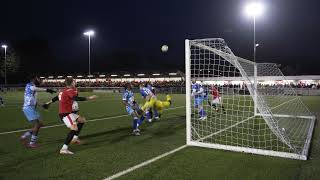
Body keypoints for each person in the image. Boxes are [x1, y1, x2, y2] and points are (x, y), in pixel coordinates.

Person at [54, 77, 97, 155]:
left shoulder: (65, 90)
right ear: (71, 83)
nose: (75, 83)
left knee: (82, 120)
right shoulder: (69, 90)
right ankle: (64, 148)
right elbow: (75, 98)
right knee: (74, 129)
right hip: (65, 114)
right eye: (74, 82)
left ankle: (75, 138)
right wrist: (89, 98)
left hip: (68, 113)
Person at [20, 75, 56, 148]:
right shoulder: (30, 85)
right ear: (33, 79)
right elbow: (34, 88)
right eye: (37, 79)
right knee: (38, 125)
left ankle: (25, 136)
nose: (39, 80)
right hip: (28, 108)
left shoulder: (32, 90)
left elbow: (34, 101)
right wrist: (47, 90)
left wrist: (42, 105)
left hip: (30, 108)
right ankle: (31, 142)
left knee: (40, 124)